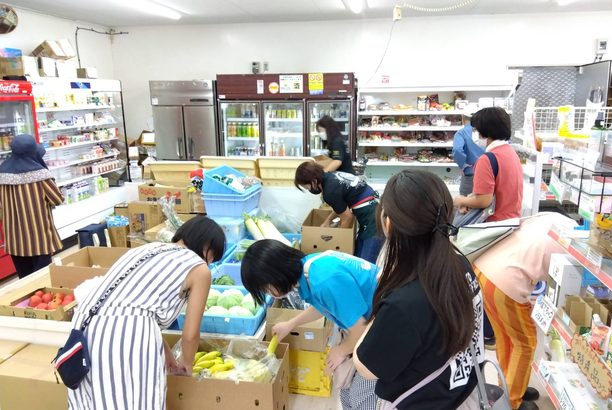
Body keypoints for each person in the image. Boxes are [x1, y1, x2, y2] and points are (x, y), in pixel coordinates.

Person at [353, 170, 484, 409]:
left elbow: (366, 367)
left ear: (389, 223)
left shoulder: (403, 303)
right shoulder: (459, 263)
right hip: (462, 393)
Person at [68, 216, 225, 410]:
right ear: (207, 247)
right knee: (134, 400)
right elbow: (190, 334)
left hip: (84, 325)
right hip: (124, 336)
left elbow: (137, 306)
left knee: (94, 400)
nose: (209, 263)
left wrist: (166, 353)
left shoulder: (146, 249)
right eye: (212, 257)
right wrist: (187, 364)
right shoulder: (199, 268)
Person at [241, 239, 379, 410]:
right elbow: (324, 305)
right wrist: (291, 324)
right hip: (374, 323)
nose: (268, 293)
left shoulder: (323, 280)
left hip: (385, 330)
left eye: (265, 288)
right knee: (347, 391)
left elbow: (362, 329)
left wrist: (341, 351)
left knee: (363, 398)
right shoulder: (310, 268)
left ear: (274, 276)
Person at [474, 212, 576, 410]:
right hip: (505, 281)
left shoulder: (553, 218)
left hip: (484, 271)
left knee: (506, 338)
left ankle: (509, 386)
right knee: (525, 343)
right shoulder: (572, 242)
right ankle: (511, 402)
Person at [0, 134, 63, 278]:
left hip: (14, 237)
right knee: (43, 278)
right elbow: (57, 199)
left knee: (25, 279)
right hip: (38, 236)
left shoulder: (2, 173)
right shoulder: (41, 175)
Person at [295, 161, 383, 263]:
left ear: (314, 181)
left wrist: (338, 240)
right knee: (357, 255)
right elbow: (340, 207)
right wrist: (327, 222)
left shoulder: (329, 191)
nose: (308, 190)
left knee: (366, 263)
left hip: (373, 218)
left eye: (307, 187)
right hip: (371, 209)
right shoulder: (331, 176)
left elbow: (347, 217)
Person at [453, 107, 523, 222]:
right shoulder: (511, 152)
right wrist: (471, 199)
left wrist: (461, 200)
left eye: (476, 130)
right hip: (512, 220)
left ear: (486, 130)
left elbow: (483, 200)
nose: (475, 134)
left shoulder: (487, 160)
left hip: (493, 223)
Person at [452, 122, 485, 196]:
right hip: (487, 174)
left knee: (466, 204)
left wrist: (462, 164)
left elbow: (457, 150)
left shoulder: (462, 132)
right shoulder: (488, 132)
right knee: (486, 204)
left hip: (470, 173)